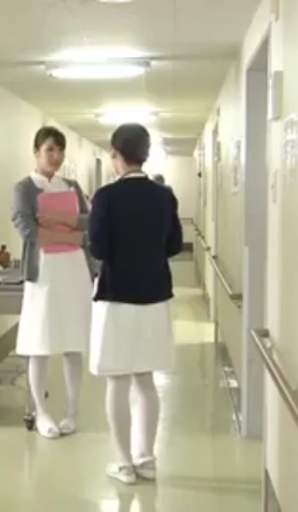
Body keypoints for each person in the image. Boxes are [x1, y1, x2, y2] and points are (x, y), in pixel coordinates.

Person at [88, 123, 183, 484]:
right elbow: (174, 245)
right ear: (145, 154)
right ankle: (146, 458)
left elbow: (98, 248)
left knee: (117, 381)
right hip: (155, 295)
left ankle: (123, 462)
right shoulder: (164, 196)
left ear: (115, 154)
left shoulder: (106, 197)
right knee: (146, 380)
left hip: (117, 296)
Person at [11, 126, 93, 439]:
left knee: (73, 343)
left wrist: (57, 223)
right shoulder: (23, 188)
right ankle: (42, 413)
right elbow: (27, 228)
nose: (55, 156)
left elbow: (87, 224)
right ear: (36, 152)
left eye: (60, 150)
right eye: (49, 149)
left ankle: (72, 411)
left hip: (74, 271)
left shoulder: (71, 186)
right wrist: (69, 231)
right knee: (39, 344)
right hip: (43, 273)